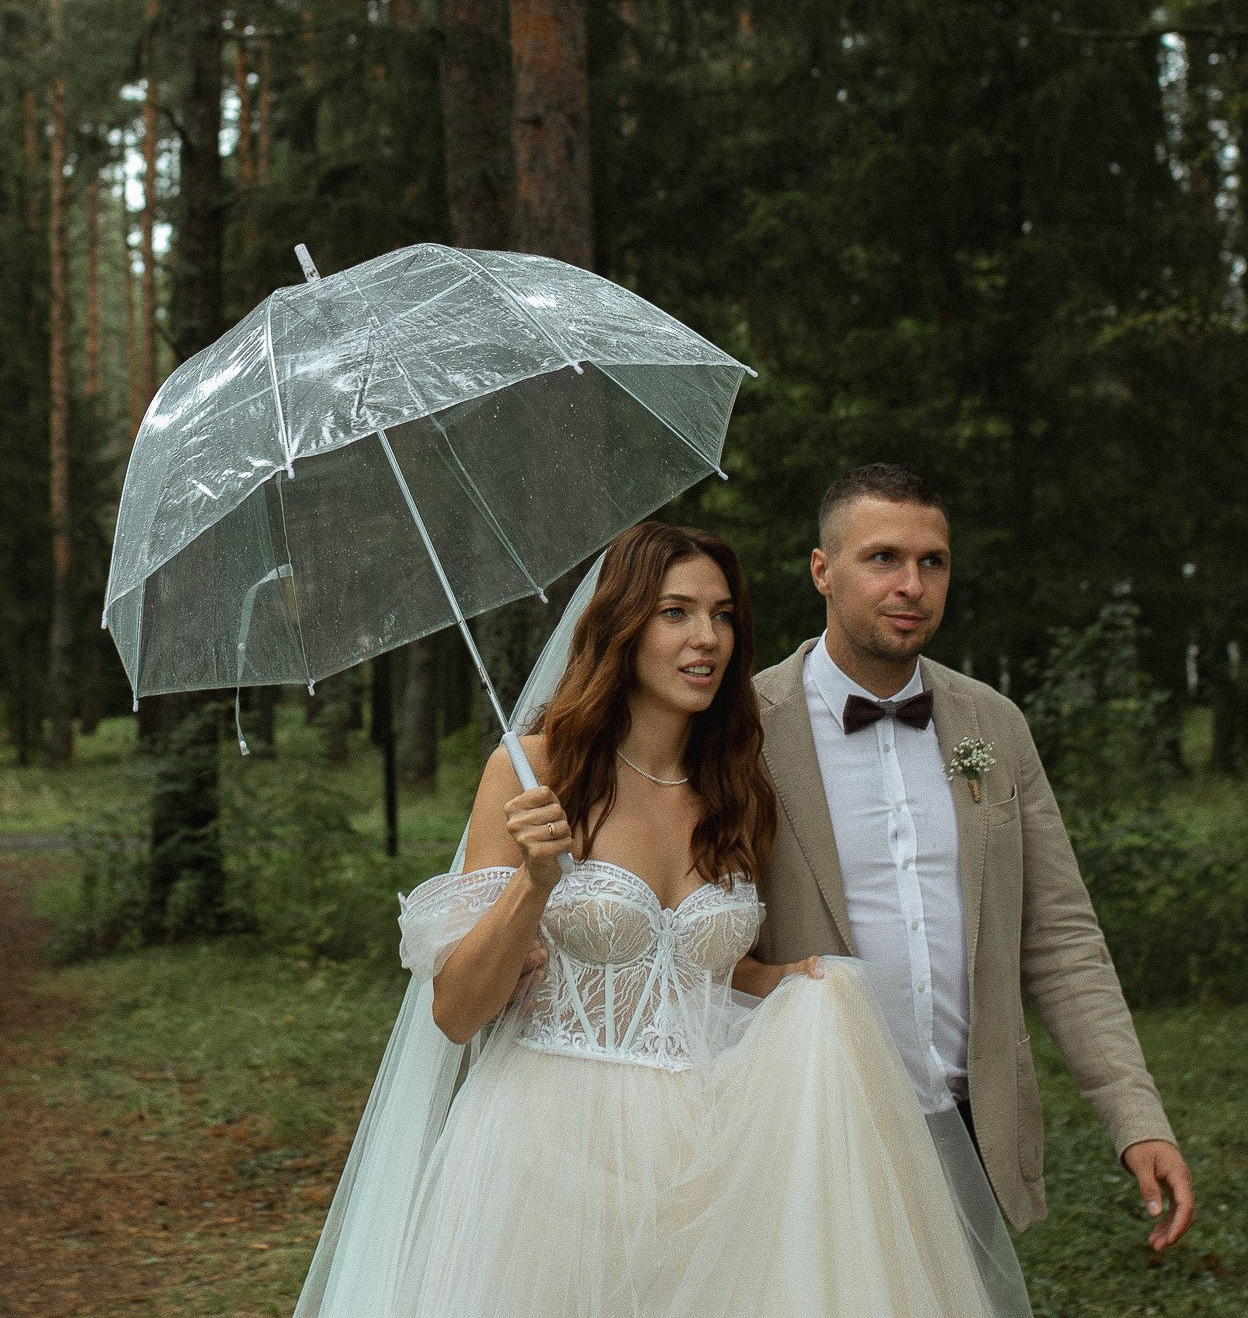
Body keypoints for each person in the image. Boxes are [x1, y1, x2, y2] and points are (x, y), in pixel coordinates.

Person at [374, 520, 1027, 1318]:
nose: (706, 638)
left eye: (722, 615)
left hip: (703, 1148)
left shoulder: (735, 786)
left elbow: (703, 970)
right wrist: (533, 886)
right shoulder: (533, 769)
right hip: (548, 1151)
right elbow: (454, 1011)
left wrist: (789, 981)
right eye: (675, 612)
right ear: (623, 627)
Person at [752, 463, 1194, 1251]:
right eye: (883, 557)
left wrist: (1136, 1119)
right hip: (808, 1129)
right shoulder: (745, 730)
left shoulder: (994, 722)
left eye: (933, 562)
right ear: (822, 570)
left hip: (970, 1132)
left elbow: (1060, 938)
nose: (912, 585)